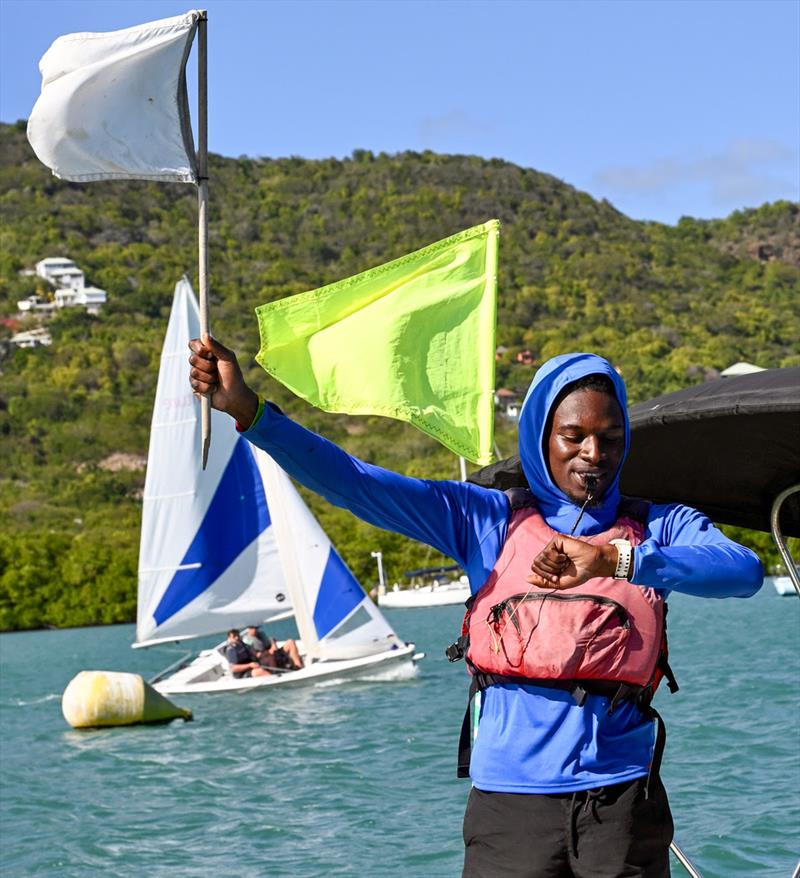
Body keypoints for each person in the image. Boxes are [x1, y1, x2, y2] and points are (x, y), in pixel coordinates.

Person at [190, 337, 763, 878]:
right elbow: (355, 482)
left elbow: (742, 571)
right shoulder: (484, 520)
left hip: (623, 805)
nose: (593, 453)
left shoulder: (657, 526)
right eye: (573, 435)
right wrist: (249, 410)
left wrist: (615, 561)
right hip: (511, 810)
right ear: (541, 435)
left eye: (610, 438)